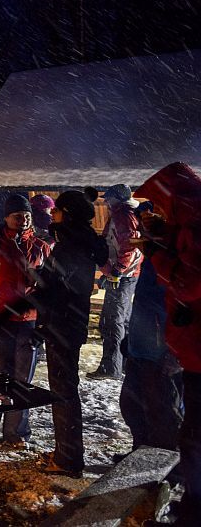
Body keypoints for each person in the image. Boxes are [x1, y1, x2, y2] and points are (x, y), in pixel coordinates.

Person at [134, 162, 201, 526]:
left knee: (195, 436)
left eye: (160, 205)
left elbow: (188, 283)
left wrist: (156, 252)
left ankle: (195, 511)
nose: (157, 211)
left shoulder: (196, 226)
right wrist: (162, 234)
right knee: (192, 432)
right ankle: (192, 502)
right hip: (192, 348)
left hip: (199, 350)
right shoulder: (188, 222)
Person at [30, 188, 108, 477]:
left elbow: (58, 289)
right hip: (67, 325)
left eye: (58, 209)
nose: (53, 213)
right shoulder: (77, 241)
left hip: (62, 326)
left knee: (63, 392)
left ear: (68, 214)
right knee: (63, 390)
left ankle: (68, 459)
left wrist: (37, 292)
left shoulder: (71, 246)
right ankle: (65, 452)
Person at [0, 194, 50, 446]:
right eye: (17, 215)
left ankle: (16, 433)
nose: (22, 219)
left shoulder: (41, 248)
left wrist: (44, 325)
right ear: (6, 218)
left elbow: (50, 290)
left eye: (26, 215)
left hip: (28, 324)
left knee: (22, 382)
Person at [118, 251, 183, 455]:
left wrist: (176, 350)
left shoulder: (178, 257)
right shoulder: (152, 261)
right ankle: (140, 452)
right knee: (132, 406)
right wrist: (132, 338)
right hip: (140, 346)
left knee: (162, 413)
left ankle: (164, 461)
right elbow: (144, 303)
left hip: (162, 350)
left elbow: (185, 306)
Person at [88, 183, 143, 380]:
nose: (106, 202)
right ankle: (125, 363)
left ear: (117, 199)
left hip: (122, 276)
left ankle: (111, 367)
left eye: (109, 198)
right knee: (122, 320)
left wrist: (117, 270)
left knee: (112, 321)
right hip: (126, 275)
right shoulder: (124, 214)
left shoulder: (123, 216)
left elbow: (129, 245)